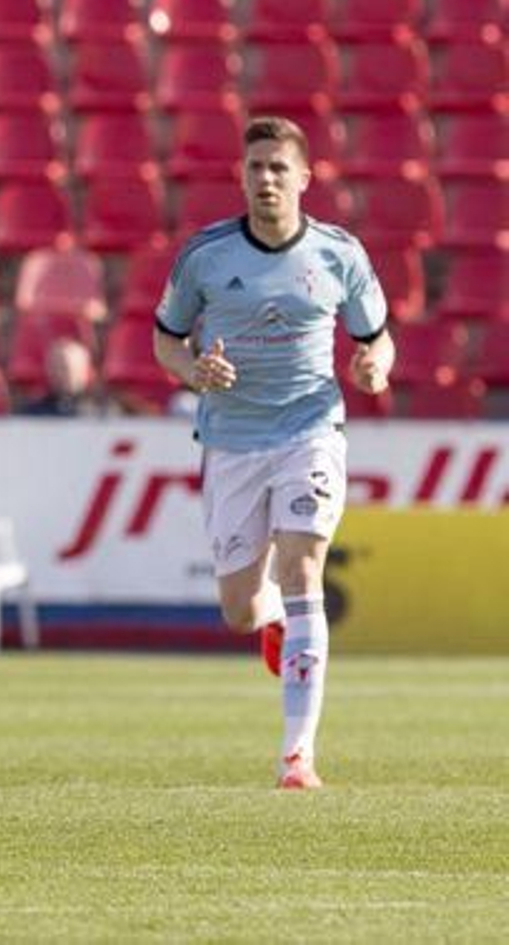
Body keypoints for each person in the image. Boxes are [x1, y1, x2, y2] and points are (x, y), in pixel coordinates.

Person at [153, 115, 395, 791]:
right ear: (242, 176)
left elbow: (377, 337)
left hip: (310, 429)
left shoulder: (339, 255)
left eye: (279, 168)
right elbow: (166, 338)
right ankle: (269, 622)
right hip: (231, 441)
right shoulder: (205, 256)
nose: (266, 179)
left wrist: (374, 366)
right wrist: (194, 369)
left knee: (302, 565)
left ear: (304, 178)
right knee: (238, 608)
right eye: (256, 167)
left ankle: (297, 756)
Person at [20, 335, 101, 417]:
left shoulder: (99, 412)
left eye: (65, 367)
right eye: (54, 366)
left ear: (83, 369)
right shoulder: (32, 413)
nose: (59, 373)